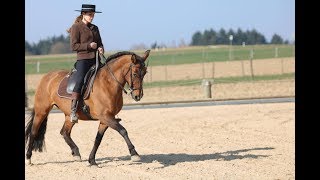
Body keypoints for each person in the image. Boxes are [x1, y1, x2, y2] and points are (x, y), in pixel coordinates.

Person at [67, 4, 104, 123]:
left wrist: (101, 48)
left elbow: (99, 43)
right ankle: (73, 110)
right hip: (83, 60)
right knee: (80, 80)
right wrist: (89, 46)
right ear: (83, 14)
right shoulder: (76, 27)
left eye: (93, 15)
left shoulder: (95, 28)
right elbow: (73, 46)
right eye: (90, 15)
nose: (92, 17)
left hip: (96, 59)